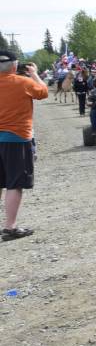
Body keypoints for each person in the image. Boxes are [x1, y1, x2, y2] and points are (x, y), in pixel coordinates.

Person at [0, 50, 48, 242]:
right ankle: (10, 227)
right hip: (16, 139)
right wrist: (34, 74)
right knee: (14, 183)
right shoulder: (24, 82)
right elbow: (43, 92)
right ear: (14, 65)